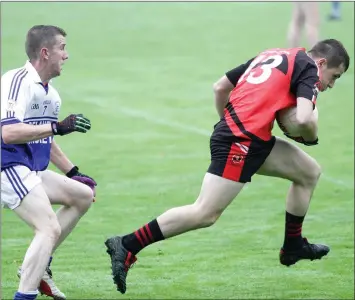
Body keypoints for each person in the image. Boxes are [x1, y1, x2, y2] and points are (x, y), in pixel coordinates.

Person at [105, 39, 350, 294]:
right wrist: (311, 136)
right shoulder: (309, 68)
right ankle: (128, 244)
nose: (331, 84)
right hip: (242, 140)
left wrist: (230, 123)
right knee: (205, 213)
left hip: (248, 136)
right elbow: (302, 118)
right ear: (321, 63)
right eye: (334, 76)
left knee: (308, 172)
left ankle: (293, 246)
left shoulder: (274, 53)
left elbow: (220, 87)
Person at [1, 25, 97, 300]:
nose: (66, 55)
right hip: (7, 166)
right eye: (62, 48)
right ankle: (26, 292)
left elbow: (45, 139)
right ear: (45, 53)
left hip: (29, 168)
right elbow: (8, 132)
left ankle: (38, 267)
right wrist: (56, 126)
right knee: (48, 227)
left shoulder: (50, 93)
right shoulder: (16, 81)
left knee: (82, 196)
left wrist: (74, 171)